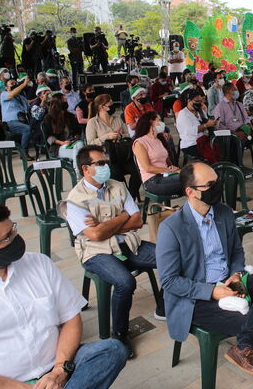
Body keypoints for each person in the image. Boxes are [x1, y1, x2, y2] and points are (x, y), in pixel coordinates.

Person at [156, 161, 253, 387]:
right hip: (197, 297)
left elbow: (236, 250)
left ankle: (244, 344)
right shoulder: (171, 228)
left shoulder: (223, 212)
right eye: (210, 185)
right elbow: (169, 281)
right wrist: (212, 291)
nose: (217, 187)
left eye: (216, 182)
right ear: (191, 192)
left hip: (229, 282)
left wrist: (236, 273)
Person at [0, 204, 129, 388]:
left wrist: (60, 370)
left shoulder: (39, 264)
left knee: (113, 350)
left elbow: (71, 319)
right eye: (6, 238)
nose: (15, 238)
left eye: (13, 230)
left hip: (60, 364)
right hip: (10, 384)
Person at [65, 145, 164, 358]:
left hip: (128, 244)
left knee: (171, 257)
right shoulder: (75, 199)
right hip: (96, 253)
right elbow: (95, 236)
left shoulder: (117, 185)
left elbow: (137, 220)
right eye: (99, 164)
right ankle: (118, 335)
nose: (105, 167)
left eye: (106, 162)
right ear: (85, 169)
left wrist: (104, 223)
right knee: (125, 282)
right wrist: (121, 218)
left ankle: (164, 306)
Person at [86, 94, 141, 199]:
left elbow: (127, 135)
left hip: (123, 154)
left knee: (138, 170)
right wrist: (106, 137)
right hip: (107, 157)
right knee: (117, 174)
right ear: (102, 107)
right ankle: (125, 198)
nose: (112, 105)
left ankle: (131, 197)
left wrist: (119, 135)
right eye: (110, 103)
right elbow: (90, 142)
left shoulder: (117, 119)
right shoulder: (93, 123)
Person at [133, 111, 182, 196]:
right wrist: (169, 170)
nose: (161, 123)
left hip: (166, 175)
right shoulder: (140, 142)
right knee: (190, 180)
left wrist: (175, 169)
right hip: (152, 181)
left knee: (191, 176)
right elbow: (148, 168)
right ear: (151, 123)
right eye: (158, 120)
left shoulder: (159, 140)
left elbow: (167, 162)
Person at [176, 87, 220, 163]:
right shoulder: (183, 114)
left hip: (203, 140)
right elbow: (191, 131)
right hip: (191, 143)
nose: (199, 104)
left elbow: (206, 122)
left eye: (200, 101)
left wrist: (212, 123)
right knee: (213, 151)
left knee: (222, 145)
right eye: (196, 101)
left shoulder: (200, 111)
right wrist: (206, 125)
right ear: (189, 101)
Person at [44, 92, 84, 165]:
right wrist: (62, 143)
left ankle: (77, 172)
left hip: (72, 143)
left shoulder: (70, 116)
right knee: (78, 155)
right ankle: (78, 173)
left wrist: (76, 136)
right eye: (64, 100)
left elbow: (77, 130)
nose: (66, 102)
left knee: (80, 145)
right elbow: (49, 136)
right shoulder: (49, 118)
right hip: (58, 146)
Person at [0, 77, 32, 158]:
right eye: (12, 84)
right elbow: (11, 94)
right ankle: (24, 153)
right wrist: (24, 84)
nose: (15, 85)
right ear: (6, 87)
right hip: (11, 122)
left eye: (15, 83)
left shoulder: (21, 97)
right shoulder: (4, 94)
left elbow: (28, 107)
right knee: (27, 129)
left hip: (22, 120)